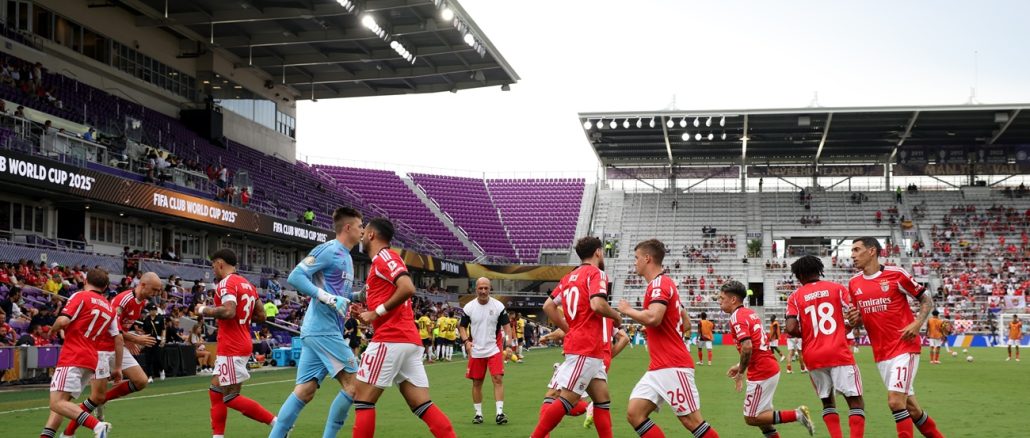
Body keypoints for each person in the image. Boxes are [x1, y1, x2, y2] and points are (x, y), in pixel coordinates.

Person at [352, 218, 455, 437]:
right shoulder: (381, 263)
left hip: (392, 339)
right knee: (421, 404)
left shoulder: (385, 257)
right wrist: (367, 316)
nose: (361, 235)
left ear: (371, 235)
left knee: (362, 398)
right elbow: (390, 302)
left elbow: (408, 287)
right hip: (406, 340)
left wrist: (375, 312)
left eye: (364, 231)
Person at [269, 207, 363, 438]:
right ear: (348, 227)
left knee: (305, 391)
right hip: (323, 331)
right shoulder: (329, 249)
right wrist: (326, 297)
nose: (363, 231)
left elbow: (338, 295)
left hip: (322, 331)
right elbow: (295, 277)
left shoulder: (348, 258)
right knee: (356, 386)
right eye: (360, 226)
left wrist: (358, 296)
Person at [615, 238, 721, 438]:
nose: (634, 262)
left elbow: (654, 317)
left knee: (691, 421)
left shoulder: (659, 285)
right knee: (635, 413)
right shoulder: (665, 284)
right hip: (659, 367)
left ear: (648, 258)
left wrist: (628, 310)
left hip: (673, 365)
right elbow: (685, 323)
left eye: (636, 258)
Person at [845, 237, 944, 438]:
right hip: (881, 354)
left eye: (856, 250)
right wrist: (855, 320)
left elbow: (926, 299)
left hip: (904, 347)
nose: (852, 255)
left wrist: (917, 324)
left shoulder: (896, 274)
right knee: (913, 409)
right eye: (852, 251)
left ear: (871, 251)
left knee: (895, 402)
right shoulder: (854, 283)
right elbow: (861, 319)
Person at [531, 236, 619, 438]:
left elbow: (548, 306)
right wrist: (616, 316)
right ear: (598, 252)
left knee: (602, 402)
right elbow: (598, 305)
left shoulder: (569, 277)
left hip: (589, 349)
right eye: (602, 252)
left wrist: (569, 327)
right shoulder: (596, 274)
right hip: (585, 347)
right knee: (565, 399)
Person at [61, 273, 162, 437]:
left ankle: (101, 400)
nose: (157, 293)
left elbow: (121, 327)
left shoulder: (141, 302)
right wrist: (134, 338)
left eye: (158, 290)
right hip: (101, 348)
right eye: (155, 289)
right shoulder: (123, 300)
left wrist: (127, 339)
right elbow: (110, 325)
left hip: (117, 346)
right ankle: (67, 433)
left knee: (141, 381)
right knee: (96, 397)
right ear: (143, 284)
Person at [195, 249, 277, 437]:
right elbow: (262, 315)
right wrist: (244, 317)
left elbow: (229, 311)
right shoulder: (247, 284)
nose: (213, 268)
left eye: (213, 264)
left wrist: (203, 309)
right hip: (240, 341)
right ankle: (218, 436)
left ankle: (278, 425)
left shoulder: (225, 284)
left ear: (220, 263)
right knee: (215, 390)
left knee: (230, 397)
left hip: (232, 345)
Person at [720, 280, 814, 437]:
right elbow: (756, 346)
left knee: (751, 418)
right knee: (764, 421)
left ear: (733, 299)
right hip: (768, 365)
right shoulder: (750, 313)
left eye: (722, 298)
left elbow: (748, 346)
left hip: (761, 371)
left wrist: (741, 372)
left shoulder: (737, 317)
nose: (719, 301)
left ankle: (798, 414)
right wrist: (739, 364)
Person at [785, 256, 865, 438]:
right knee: (855, 402)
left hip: (813, 356)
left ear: (799, 275)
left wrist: (811, 333)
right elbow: (855, 313)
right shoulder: (837, 289)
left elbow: (790, 328)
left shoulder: (795, 297)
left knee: (828, 403)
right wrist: (849, 326)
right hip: (838, 351)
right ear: (819, 270)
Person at [39, 269, 118, 438]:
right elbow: (116, 336)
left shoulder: (80, 296)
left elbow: (63, 320)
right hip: (91, 359)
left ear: (85, 281)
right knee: (63, 404)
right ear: (105, 287)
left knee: (57, 403)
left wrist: (52, 330)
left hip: (73, 355)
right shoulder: (110, 308)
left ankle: (97, 426)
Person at [458, 277, 514, 425]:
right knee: (477, 382)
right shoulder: (469, 307)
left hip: (494, 349)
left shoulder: (498, 306)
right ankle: (478, 414)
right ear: (475, 289)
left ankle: (500, 413)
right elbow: (461, 326)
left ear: (490, 289)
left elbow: (507, 327)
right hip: (476, 351)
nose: (483, 291)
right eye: (480, 288)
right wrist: (466, 341)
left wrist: (508, 345)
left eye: (486, 288)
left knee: (498, 379)